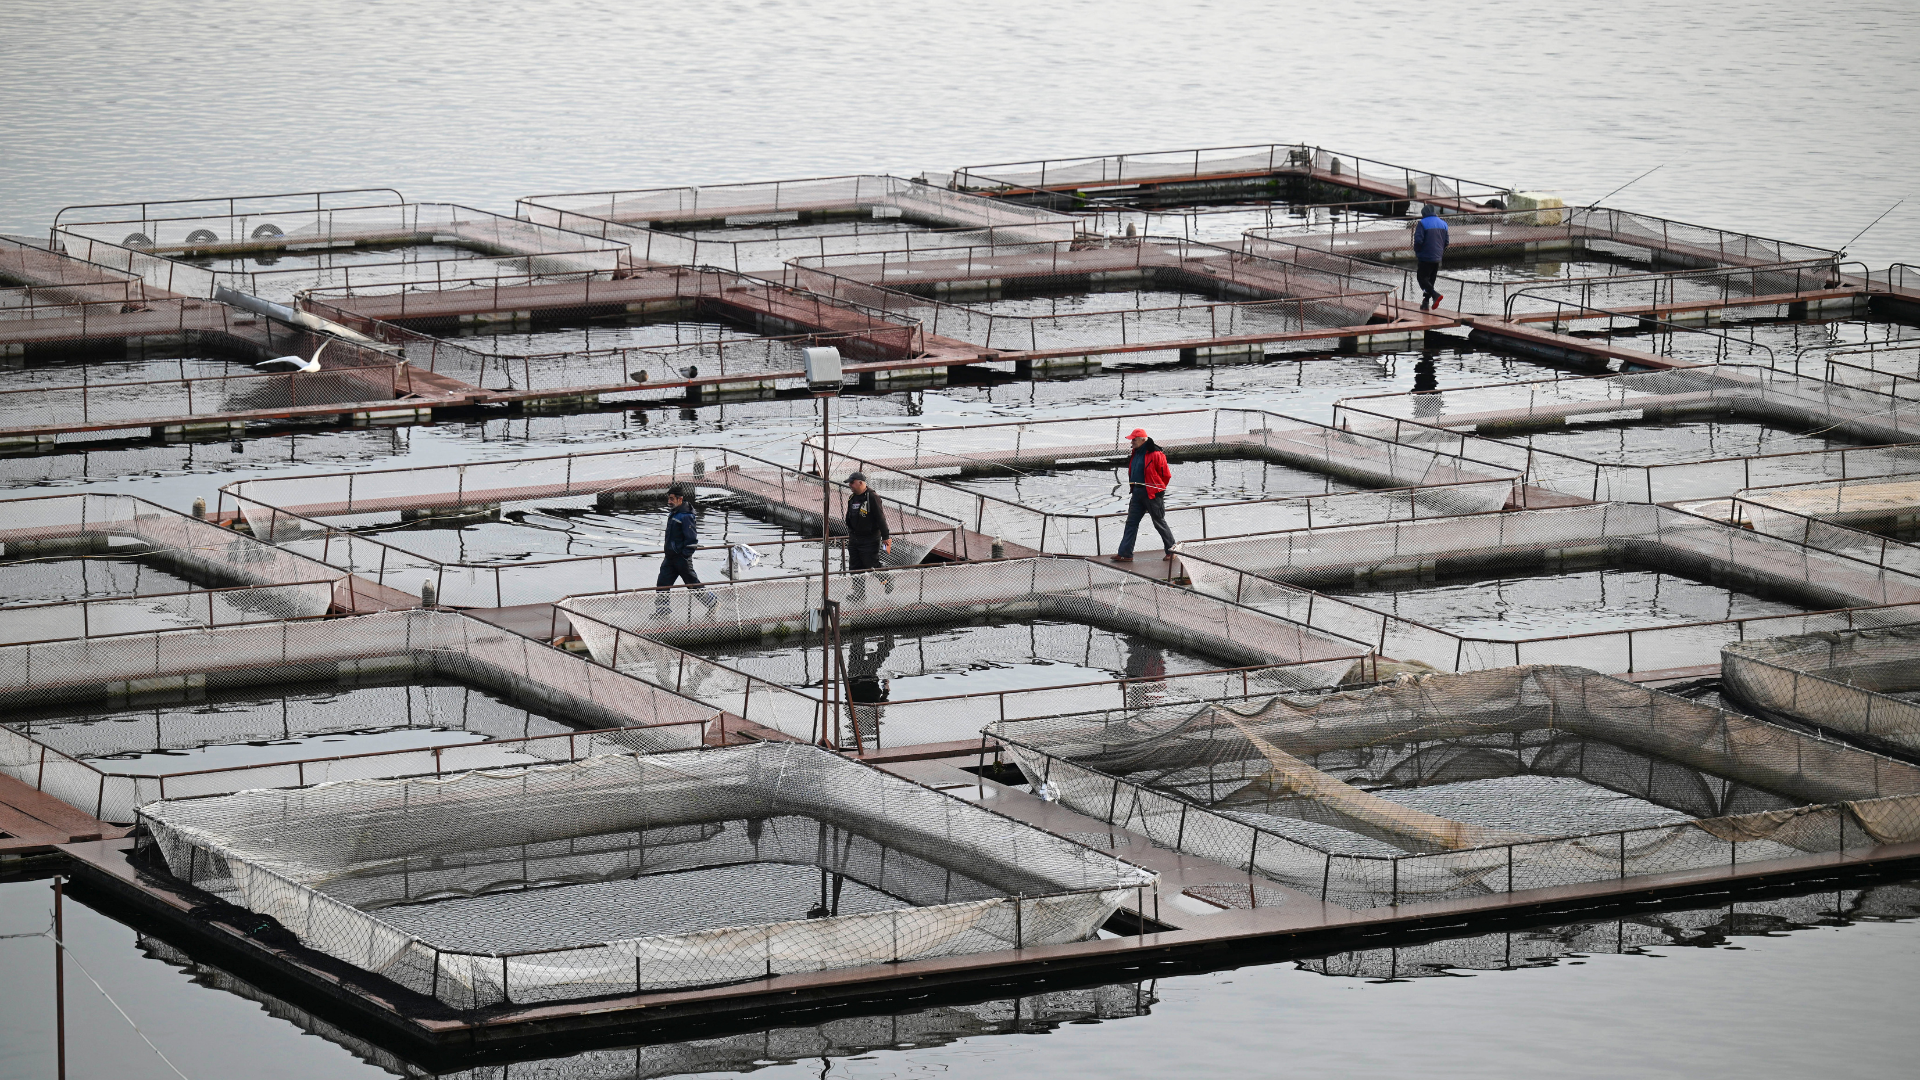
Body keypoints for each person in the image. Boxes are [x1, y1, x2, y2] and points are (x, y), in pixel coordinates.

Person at [1110, 428, 1175, 563]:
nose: (1131, 442)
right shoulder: (1136, 452)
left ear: (1143, 440)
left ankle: (1172, 550)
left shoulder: (1156, 454)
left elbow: (1166, 475)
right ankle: (1125, 554)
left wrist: (1159, 490)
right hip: (1137, 492)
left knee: (1159, 522)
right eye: (1131, 439)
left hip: (1152, 493)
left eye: (1134, 439)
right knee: (1131, 523)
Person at [656, 484, 715, 613]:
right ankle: (662, 611)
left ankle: (713, 603)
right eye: (668, 499)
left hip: (681, 558)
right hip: (670, 557)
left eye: (671, 499)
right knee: (662, 583)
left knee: (692, 584)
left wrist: (684, 556)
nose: (669, 502)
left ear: (679, 499)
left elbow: (692, 540)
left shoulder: (686, 516)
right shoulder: (675, 513)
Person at [844, 472, 892, 573]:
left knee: (871, 565)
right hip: (854, 539)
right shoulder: (852, 498)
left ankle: (886, 580)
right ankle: (858, 588)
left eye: (852, 483)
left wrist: (886, 537)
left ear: (861, 483)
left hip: (869, 539)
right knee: (854, 568)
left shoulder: (872, 497)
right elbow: (849, 516)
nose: (850, 485)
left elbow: (880, 517)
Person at [1413, 204, 1450, 310]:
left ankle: (1435, 295)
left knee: (1422, 278)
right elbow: (1446, 242)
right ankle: (1426, 303)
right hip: (1438, 257)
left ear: (1424, 213)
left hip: (1425, 256)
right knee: (1430, 280)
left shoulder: (1422, 223)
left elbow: (1418, 240)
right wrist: (1439, 251)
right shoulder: (1444, 224)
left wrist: (1417, 250)